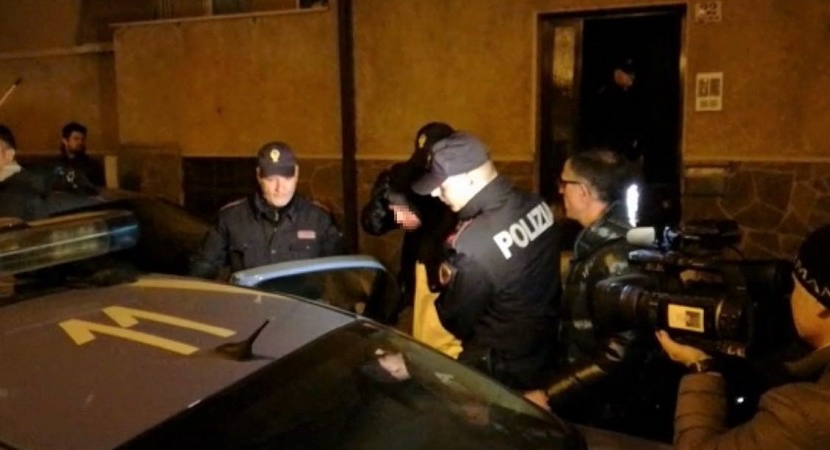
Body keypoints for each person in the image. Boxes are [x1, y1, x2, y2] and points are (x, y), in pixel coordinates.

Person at [657, 218, 830, 450]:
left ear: (822, 303)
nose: (790, 296)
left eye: (795, 286)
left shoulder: (806, 417)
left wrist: (701, 368)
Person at [412, 132, 560, 389]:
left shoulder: (473, 246)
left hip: (500, 370)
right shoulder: (534, 203)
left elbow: (456, 319)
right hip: (543, 348)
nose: (435, 193)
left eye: (442, 185)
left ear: (469, 178)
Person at [525, 148, 651, 420]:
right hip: (588, 400)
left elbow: (619, 353)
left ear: (583, 191)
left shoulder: (615, 256)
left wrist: (551, 394)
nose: (560, 191)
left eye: (564, 183)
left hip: (605, 411)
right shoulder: (597, 244)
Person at [361, 122, 460, 355]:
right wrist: (386, 198)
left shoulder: (460, 187)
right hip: (413, 286)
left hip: (448, 291)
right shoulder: (411, 180)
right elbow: (373, 225)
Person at [189, 141, 345, 280]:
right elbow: (201, 272)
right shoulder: (231, 218)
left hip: (300, 304)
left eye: (287, 178)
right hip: (250, 303)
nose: (280, 188)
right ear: (259, 176)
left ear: (297, 174)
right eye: (271, 180)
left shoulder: (318, 219)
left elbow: (341, 277)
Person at [55, 121, 104, 190]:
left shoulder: (93, 166)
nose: (80, 142)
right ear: (65, 141)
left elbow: (99, 190)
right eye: (76, 139)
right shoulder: (56, 165)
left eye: (82, 139)